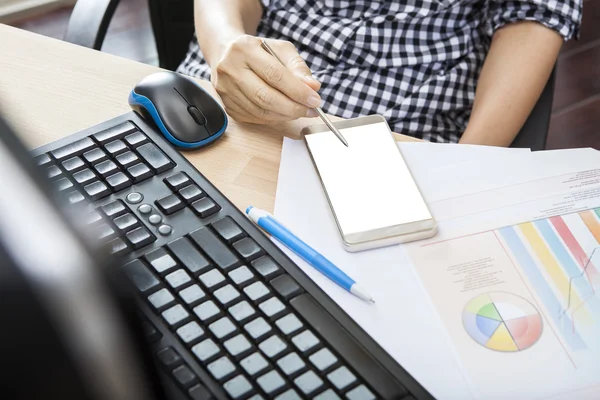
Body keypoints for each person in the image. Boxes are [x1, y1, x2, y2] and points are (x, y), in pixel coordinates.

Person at [177, 0, 582, 146]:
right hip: (230, 85)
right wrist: (225, 45)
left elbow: (533, 17)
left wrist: (464, 171)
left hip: (400, 128)